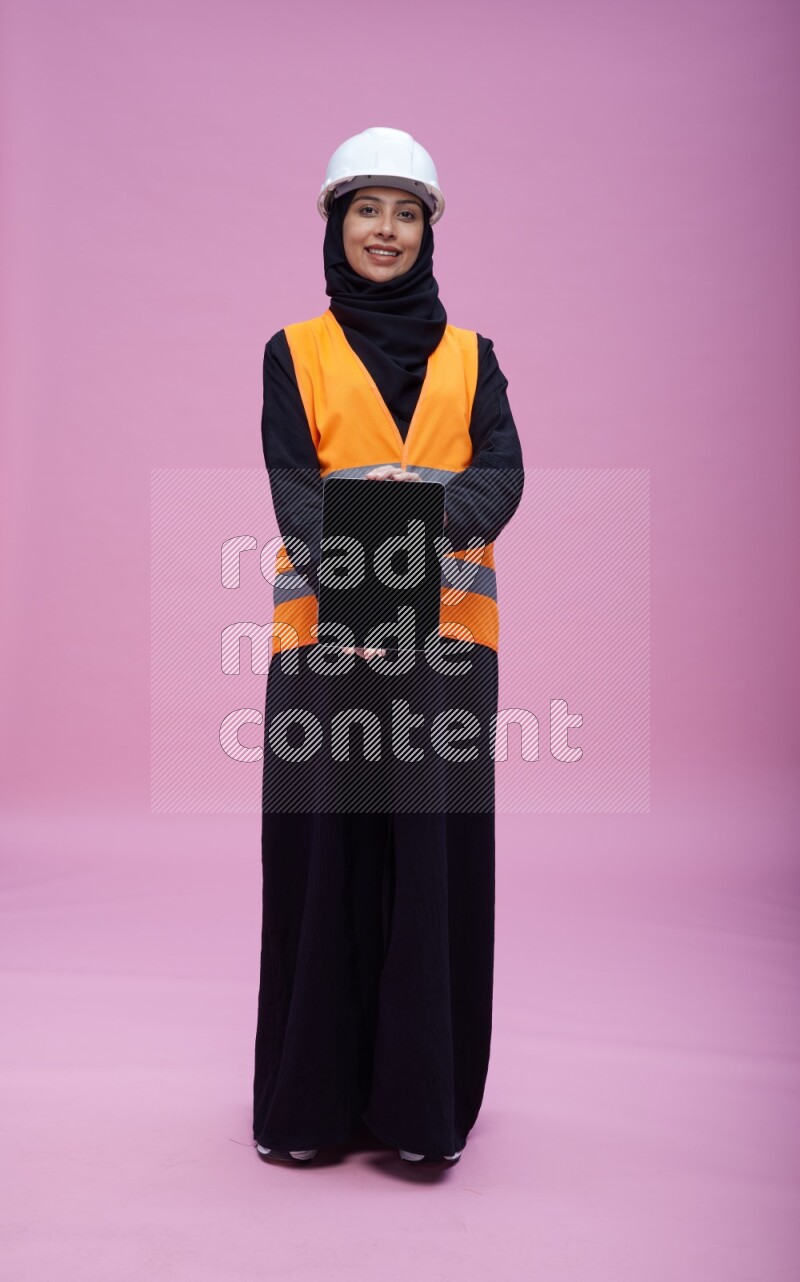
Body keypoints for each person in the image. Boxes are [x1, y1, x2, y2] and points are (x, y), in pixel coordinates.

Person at [252, 127, 524, 1167]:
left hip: (448, 652)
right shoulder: (293, 353)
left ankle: (422, 1115)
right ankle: (309, 1109)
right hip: (325, 650)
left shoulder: (474, 360)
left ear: (427, 233)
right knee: (324, 862)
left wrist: (416, 519)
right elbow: (291, 486)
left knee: (431, 868)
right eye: (367, 208)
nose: (385, 230)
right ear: (335, 222)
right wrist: (367, 599)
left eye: (405, 213)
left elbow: (500, 479)